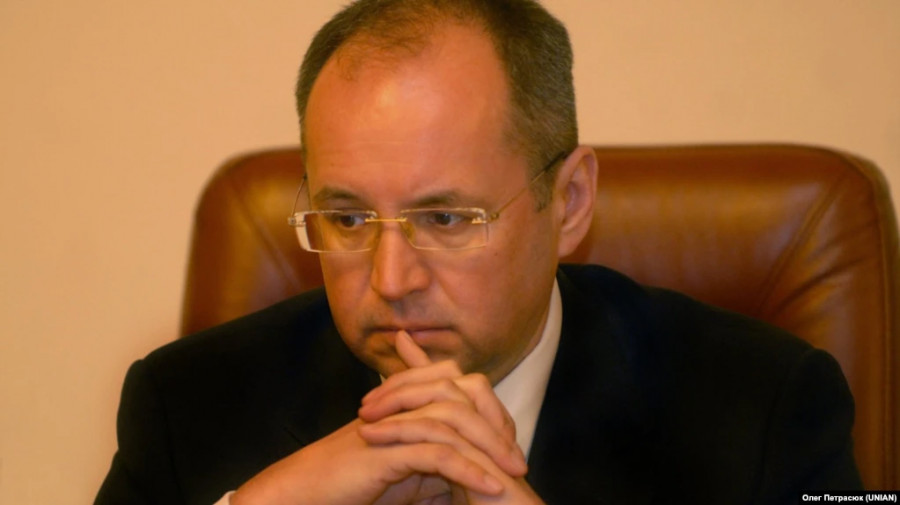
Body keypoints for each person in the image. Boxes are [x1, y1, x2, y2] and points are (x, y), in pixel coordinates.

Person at [95, 0, 862, 503]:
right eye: (349, 218)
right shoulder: (187, 404)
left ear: (569, 202)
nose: (390, 280)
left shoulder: (765, 405)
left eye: (447, 218)